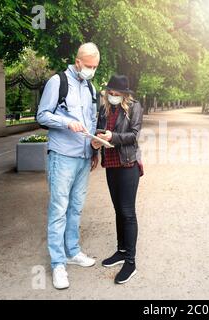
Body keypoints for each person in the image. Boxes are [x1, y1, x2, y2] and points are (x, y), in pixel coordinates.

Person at [36, 42, 100, 290]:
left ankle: (73, 252)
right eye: (89, 66)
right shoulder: (58, 81)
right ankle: (58, 264)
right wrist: (65, 122)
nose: (92, 70)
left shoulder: (91, 87)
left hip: (84, 157)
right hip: (62, 156)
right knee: (59, 209)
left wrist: (94, 148)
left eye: (95, 67)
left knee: (76, 208)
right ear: (78, 62)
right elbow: (42, 115)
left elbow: (92, 121)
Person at [91, 74, 144, 284]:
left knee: (128, 212)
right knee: (117, 210)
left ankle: (130, 262)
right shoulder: (105, 108)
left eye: (116, 93)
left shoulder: (134, 107)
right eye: (110, 92)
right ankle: (121, 250)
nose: (112, 96)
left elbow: (133, 135)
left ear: (125, 94)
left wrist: (112, 137)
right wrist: (95, 143)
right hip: (111, 164)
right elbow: (100, 131)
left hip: (128, 164)